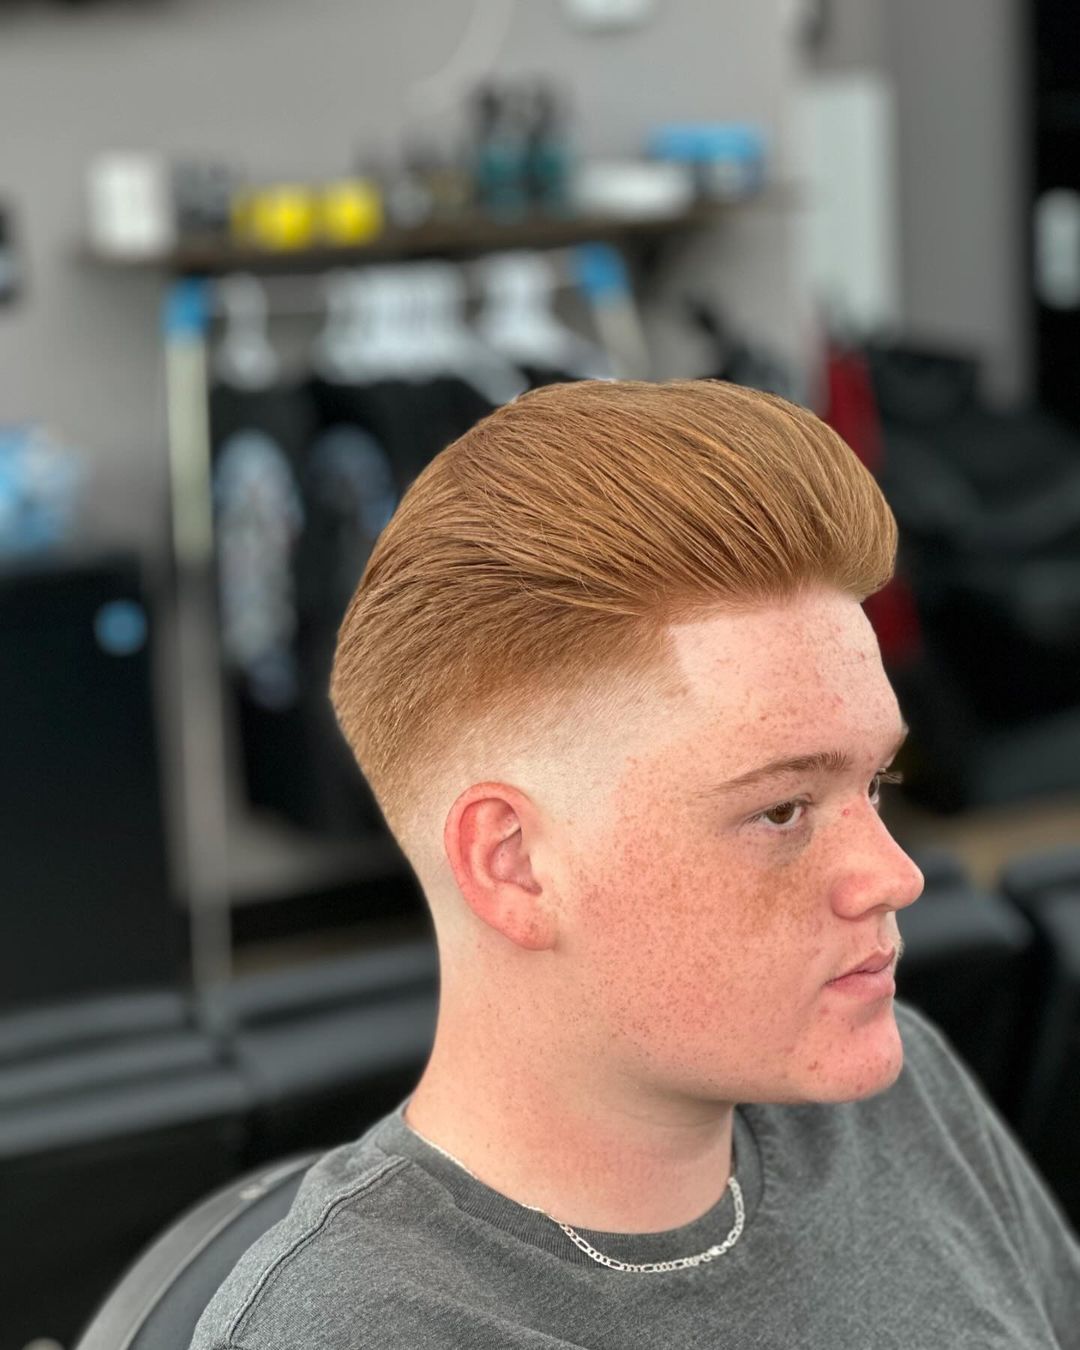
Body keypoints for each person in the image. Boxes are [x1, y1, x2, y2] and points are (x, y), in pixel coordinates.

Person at [192, 379, 1080, 1348]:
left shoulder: (899, 1098)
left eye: (875, 784)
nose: (896, 874)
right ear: (514, 865)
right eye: (781, 810)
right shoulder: (362, 1335)